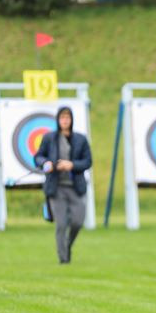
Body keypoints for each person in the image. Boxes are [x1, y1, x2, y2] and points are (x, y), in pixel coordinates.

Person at [34, 106, 92, 264]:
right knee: (61, 223)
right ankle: (63, 259)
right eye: (62, 118)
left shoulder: (81, 139)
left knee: (78, 221)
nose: (65, 120)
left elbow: (88, 161)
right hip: (56, 186)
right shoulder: (49, 138)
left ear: (71, 120)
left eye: (68, 118)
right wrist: (46, 163)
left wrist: (72, 165)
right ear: (58, 120)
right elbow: (38, 157)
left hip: (75, 186)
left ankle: (66, 246)